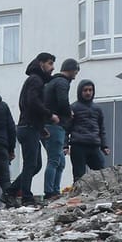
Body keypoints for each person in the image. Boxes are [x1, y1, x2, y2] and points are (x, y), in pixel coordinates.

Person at [13, 53, 57, 203]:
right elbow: (32, 102)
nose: (52, 68)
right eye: (50, 64)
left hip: (30, 127)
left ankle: (11, 191)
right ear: (41, 64)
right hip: (28, 127)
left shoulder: (35, 80)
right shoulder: (35, 80)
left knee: (36, 165)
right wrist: (49, 115)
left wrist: (40, 127)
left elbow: (27, 105)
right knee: (31, 164)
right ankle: (26, 197)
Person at [42, 60, 80, 198]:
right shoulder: (62, 82)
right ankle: (50, 192)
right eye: (76, 71)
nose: (76, 74)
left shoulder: (52, 82)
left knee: (60, 161)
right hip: (55, 125)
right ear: (71, 69)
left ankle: (54, 191)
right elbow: (63, 100)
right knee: (54, 160)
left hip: (47, 125)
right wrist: (68, 112)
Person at [66, 80, 109, 181]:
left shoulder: (97, 109)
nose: (88, 93)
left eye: (90, 90)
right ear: (80, 92)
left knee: (102, 174)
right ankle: (79, 195)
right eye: (85, 90)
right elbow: (67, 128)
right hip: (78, 146)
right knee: (79, 176)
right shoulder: (73, 107)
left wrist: (104, 145)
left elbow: (101, 128)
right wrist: (65, 145)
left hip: (94, 146)